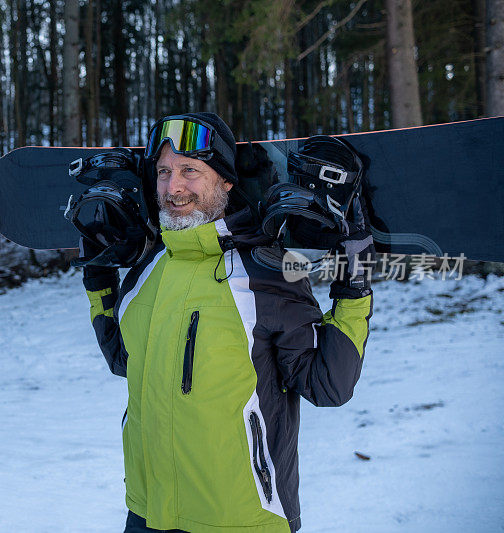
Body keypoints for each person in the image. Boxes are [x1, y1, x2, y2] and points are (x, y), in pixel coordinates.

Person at [81, 113, 374, 533]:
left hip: (240, 519)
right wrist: (96, 271)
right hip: (147, 512)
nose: (173, 188)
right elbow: (123, 359)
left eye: (189, 171)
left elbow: (328, 385)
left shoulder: (267, 274)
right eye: (163, 172)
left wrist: (355, 282)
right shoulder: (149, 267)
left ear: (226, 182)